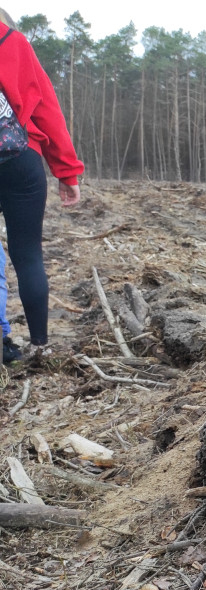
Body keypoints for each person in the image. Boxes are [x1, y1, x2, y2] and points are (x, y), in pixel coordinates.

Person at [0, 8, 83, 363]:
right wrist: (67, 171)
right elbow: (47, 109)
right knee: (28, 254)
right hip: (20, 159)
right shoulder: (15, 43)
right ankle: (39, 346)